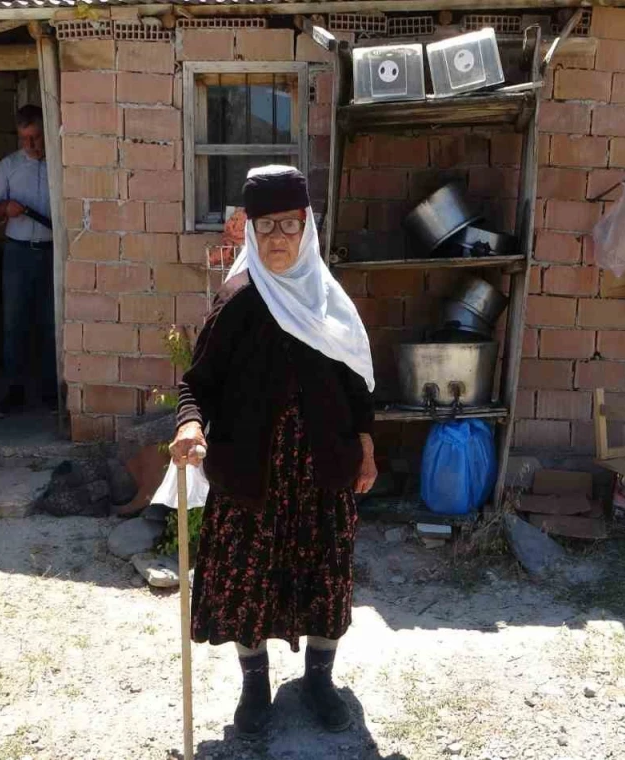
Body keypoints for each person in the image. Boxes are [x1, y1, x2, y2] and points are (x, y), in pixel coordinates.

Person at [169, 165, 378, 737]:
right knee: (248, 579)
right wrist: (190, 425)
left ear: (307, 227)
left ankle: (319, 679)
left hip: (321, 470)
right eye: (266, 227)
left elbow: (356, 383)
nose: (278, 238)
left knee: (325, 574)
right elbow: (197, 382)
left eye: (289, 224)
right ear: (251, 232)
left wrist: (365, 445)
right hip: (250, 468)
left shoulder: (327, 301)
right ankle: (254, 683)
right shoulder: (238, 300)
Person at [0, 105, 56, 418]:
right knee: (15, 324)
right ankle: (15, 391)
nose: (31, 145)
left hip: (53, 252)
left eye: (36, 137)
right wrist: (5, 209)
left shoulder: (61, 163)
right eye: (24, 138)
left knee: (51, 322)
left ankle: (52, 393)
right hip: (18, 252)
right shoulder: (8, 166)